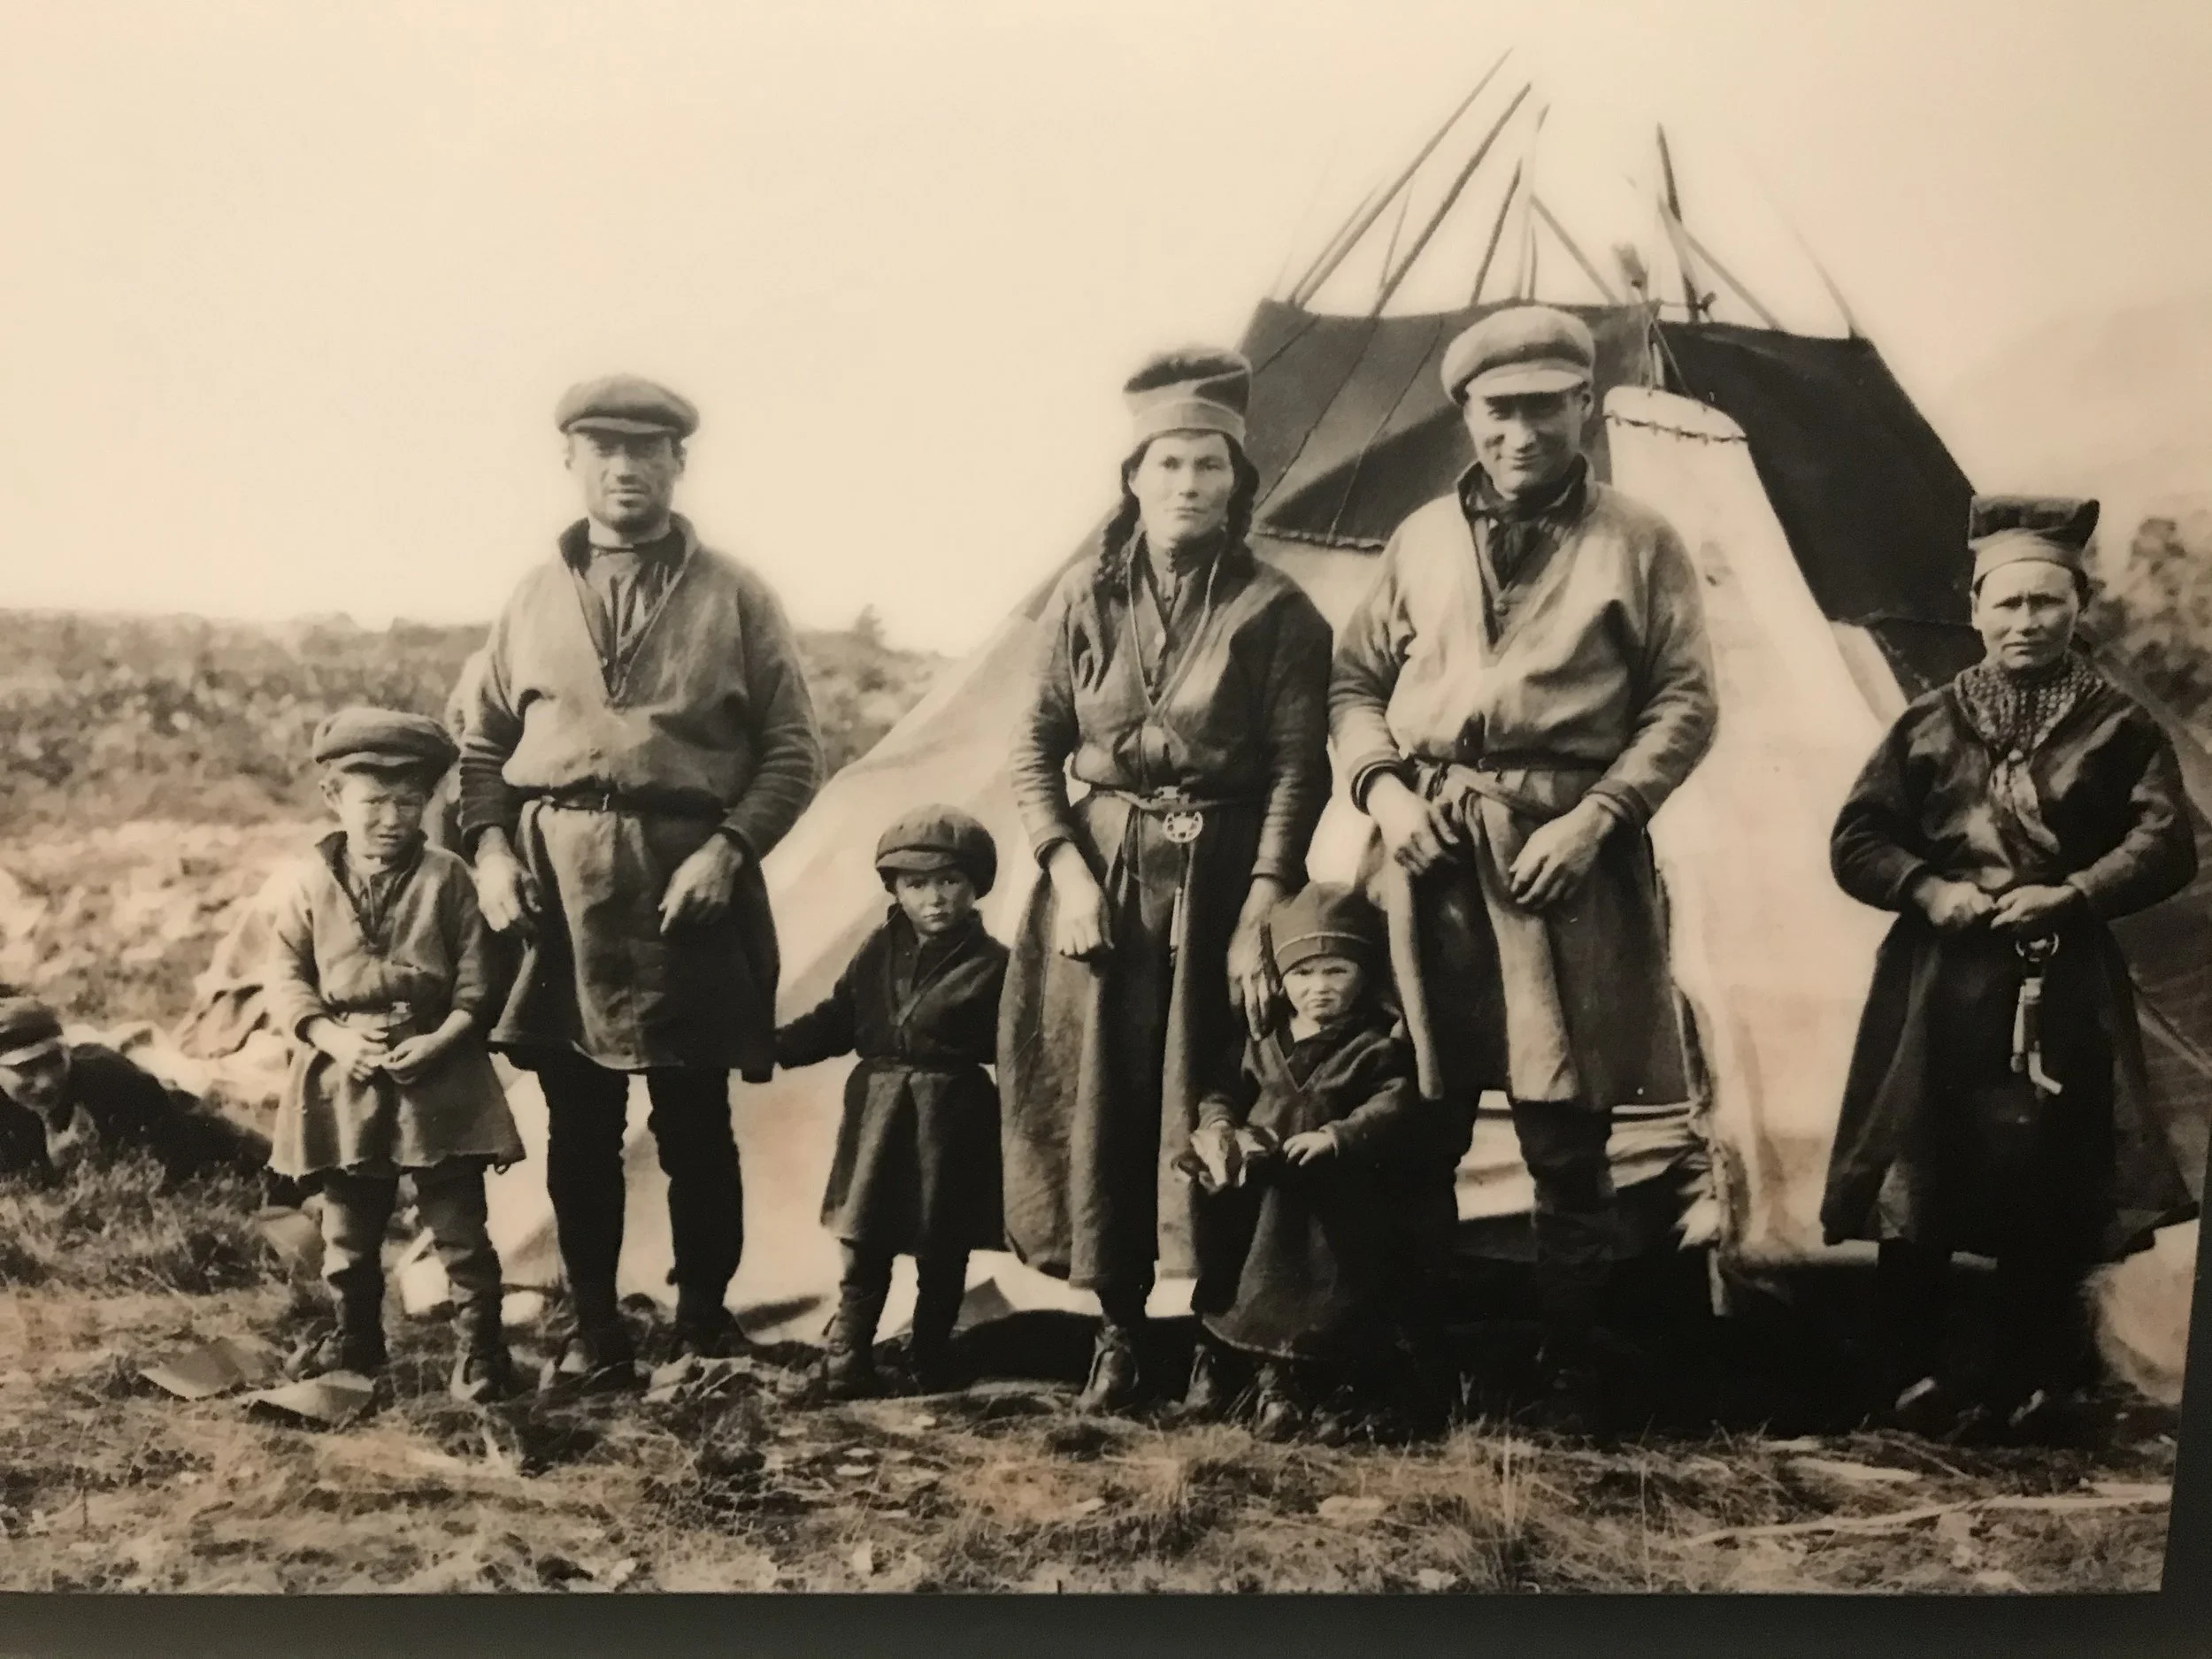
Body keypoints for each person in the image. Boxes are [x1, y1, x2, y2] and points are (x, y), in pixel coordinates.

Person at [1330, 304, 1717, 1428]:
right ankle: (1408, 1364)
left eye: (1546, 406)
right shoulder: (1416, 540)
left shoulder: (1639, 541)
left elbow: (1685, 704)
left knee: (1564, 1131)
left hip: (1564, 862)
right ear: (1466, 415)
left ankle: (1572, 1374)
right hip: (1428, 850)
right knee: (1418, 1122)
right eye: (1500, 410)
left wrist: (1598, 817)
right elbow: (1353, 686)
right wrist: (1385, 789)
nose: (1522, 432)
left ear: (1582, 406)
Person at [460, 375, 824, 1390]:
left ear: (679, 464)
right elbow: (479, 746)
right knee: (578, 1121)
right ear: (570, 462)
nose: (625, 467)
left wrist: (728, 850)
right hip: (558, 887)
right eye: (603, 448)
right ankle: (592, 1331)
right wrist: (491, 852)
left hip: (685, 882)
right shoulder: (531, 598)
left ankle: (703, 1320)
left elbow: (793, 752)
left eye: (647, 449)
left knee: (693, 1116)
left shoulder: (736, 594)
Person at [1824, 495, 2199, 1443]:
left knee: (2050, 1174)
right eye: (2007, 604)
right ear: (1975, 611)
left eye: (2047, 602)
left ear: (2080, 606)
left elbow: (2166, 841)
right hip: (1939, 984)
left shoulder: (2119, 726)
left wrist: (2071, 893)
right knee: (1923, 1168)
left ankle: (2032, 1385)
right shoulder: (1927, 723)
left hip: (2059, 980)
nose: (2025, 622)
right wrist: (1926, 889)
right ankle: (1907, 1382)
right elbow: (1858, 837)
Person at [1002, 347, 1334, 1413]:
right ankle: (1115, 1331)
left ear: (1238, 484)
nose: (1189, 485)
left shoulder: (1279, 610)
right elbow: (1034, 749)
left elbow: (1297, 769)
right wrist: (1069, 873)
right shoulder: (1081, 601)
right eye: (1169, 463)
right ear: (1133, 476)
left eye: (1210, 467)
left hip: (1226, 870)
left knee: (1213, 1092)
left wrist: (1262, 905)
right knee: (1103, 1104)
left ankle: (1219, 1334)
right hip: (1102, 873)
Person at [262, 707, 527, 1402]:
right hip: (344, 1068)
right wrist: (333, 1037)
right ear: (333, 798)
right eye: (373, 800)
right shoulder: (306, 884)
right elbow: (286, 977)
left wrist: (442, 1037)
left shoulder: (450, 879)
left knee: (459, 1226)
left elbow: (481, 980)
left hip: (439, 1068)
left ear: (432, 801)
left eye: (409, 800)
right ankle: (356, 1336)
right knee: (348, 1224)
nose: (390, 817)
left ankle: (482, 1352)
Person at [776, 806, 1009, 1400]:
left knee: (943, 1243)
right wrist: (775, 1048)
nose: (935, 898)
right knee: (864, 1240)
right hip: (877, 1111)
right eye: (916, 883)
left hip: (951, 1117)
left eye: (950, 881)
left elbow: (1017, 1050)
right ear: (895, 889)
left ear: (974, 885)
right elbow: (839, 1019)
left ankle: (929, 1356)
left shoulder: (997, 963)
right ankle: (846, 1359)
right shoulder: (876, 949)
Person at [1184, 882, 1425, 1443]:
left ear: (1363, 974)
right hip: (1264, 1196)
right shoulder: (1262, 1040)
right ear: (1281, 980)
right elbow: (1222, 1089)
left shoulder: (1374, 1046)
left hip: (1331, 1206)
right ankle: (1260, 1383)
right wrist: (1219, 1127)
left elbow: (1396, 1100)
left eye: (1336, 972)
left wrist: (1339, 1136)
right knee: (1251, 1283)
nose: (1319, 989)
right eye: (1303, 975)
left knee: (1325, 1295)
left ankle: (1322, 1389)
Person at [0, 995, 272, 1185]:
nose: (46, 1081)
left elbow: (190, 1143)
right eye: (27, 1068)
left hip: (188, 1120)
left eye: (55, 1060)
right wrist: (59, 1166)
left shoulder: (110, 1079)